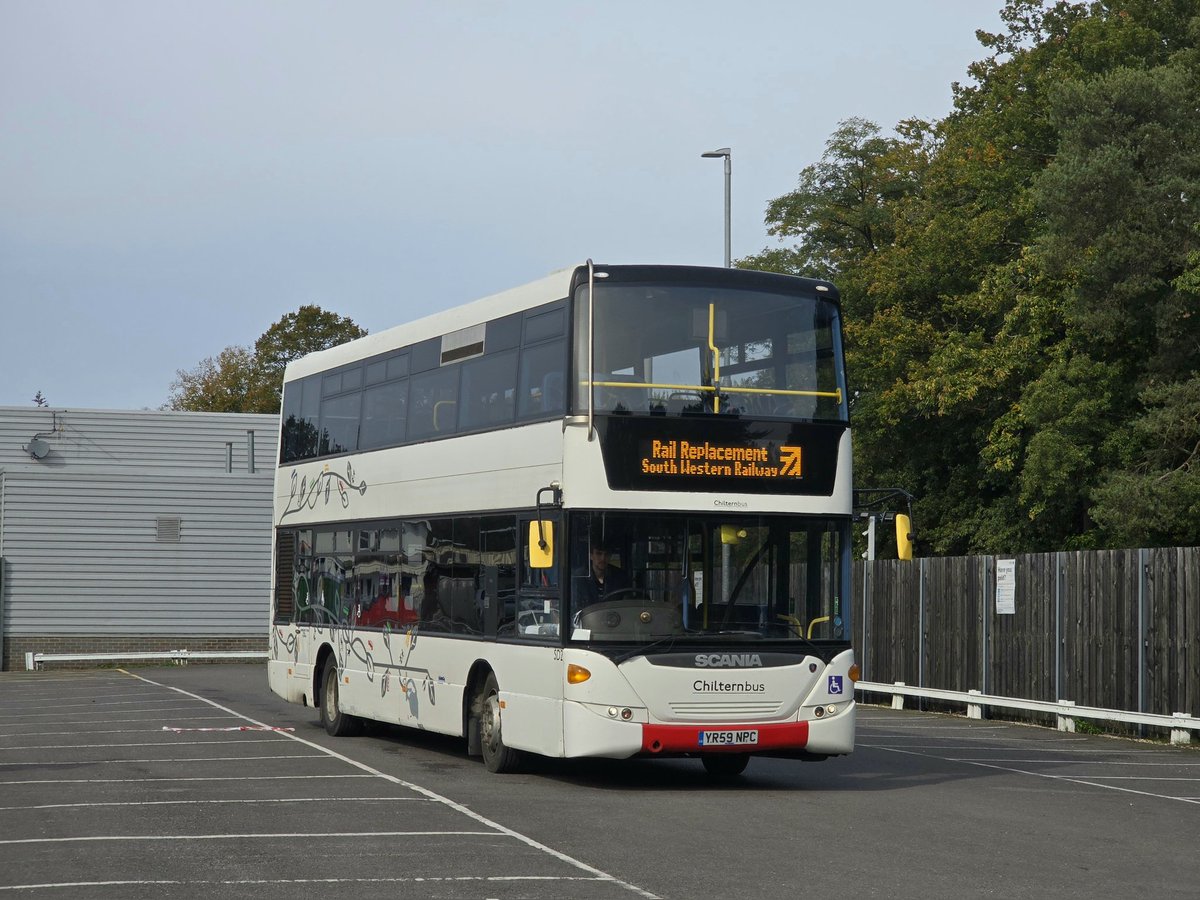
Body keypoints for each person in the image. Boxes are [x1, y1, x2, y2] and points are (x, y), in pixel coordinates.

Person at [574, 537, 629, 606]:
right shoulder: (580, 576)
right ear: (591, 556)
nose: (603, 558)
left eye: (606, 554)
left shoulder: (620, 576)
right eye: (599, 554)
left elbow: (626, 602)